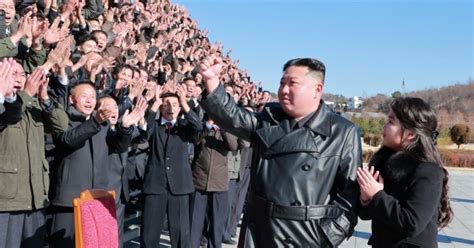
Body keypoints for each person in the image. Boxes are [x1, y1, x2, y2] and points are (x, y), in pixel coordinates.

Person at [198, 55, 362, 247]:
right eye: (282, 82)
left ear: (317, 90)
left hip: (304, 236)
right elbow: (233, 118)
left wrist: (325, 238)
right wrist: (211, 81)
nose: (283, 90)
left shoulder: (341, 131)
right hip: (258, 231)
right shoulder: (269, 117)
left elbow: (349, 198)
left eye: (292, 83)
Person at [357, 97, 453, 247]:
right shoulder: (384, 163)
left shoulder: (428, 171)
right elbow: (366, 215)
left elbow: (412, 223)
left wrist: (376, 195)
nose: (385, 126)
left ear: (411, 134)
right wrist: (365, 199)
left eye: (391, 122)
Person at [140, 85, 202, 248]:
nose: (170, 108)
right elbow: (144, 133)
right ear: (161, 106)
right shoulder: (154, 124)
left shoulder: (184, 126)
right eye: (166, 103)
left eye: (175, 104)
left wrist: (184, 102)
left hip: (180, 187)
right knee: (149, 234)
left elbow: (198, 128)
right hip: (155, 186)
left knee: (181, 235)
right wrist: (154, 104)